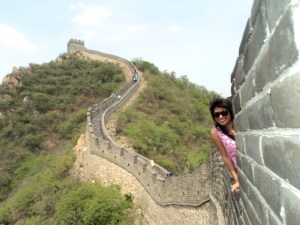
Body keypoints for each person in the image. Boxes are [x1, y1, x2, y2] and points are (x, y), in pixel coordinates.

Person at [209, 96, 239, 195]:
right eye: (217, 115)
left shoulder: (240, 123)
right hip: (240, 171)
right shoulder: (215, 132)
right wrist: (237, 179)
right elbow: (225, 157)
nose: (221, 117)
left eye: (224, 113)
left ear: (230, 111)